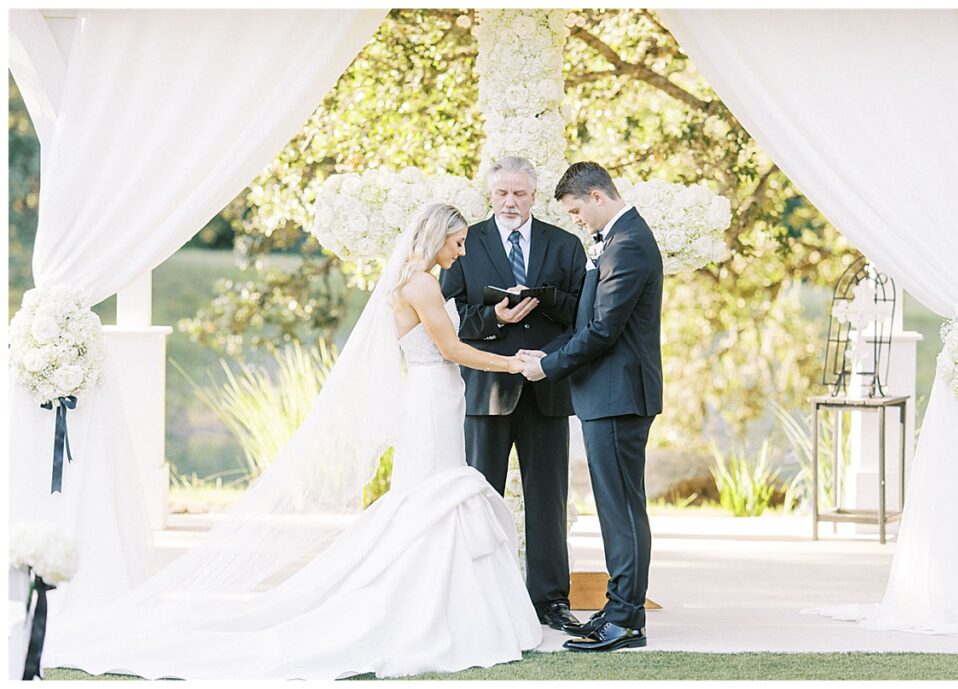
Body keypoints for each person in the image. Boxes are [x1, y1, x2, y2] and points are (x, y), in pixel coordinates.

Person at [44, 203, 542, 680]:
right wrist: (514, 362)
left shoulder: (406, 281)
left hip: (433, 396)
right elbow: (450, 347)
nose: (461, 251)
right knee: (433, 502)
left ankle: (439, 608)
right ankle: (428, 615)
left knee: (427, 501)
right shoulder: (423, 285)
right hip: (433, 399)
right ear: (438, 236)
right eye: (456, 242)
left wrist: (496, 322)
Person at [519, 162, 664, 652]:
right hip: (607, 395)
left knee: (621, 510)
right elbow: (590, 321)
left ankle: (625, 620)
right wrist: (550, 352)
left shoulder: (628, 245)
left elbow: (604, 330)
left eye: (578, 211)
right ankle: (620, 607)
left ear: (599, 196)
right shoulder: (618, 241)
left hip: (619, 396)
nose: (579, 220)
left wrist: (549, 367)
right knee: (616, 508)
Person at [440, 156, 588, 633]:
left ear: (534, 196)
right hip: (486, 391)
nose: (510, 201)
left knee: (549, 499)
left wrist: (547, 306)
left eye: (519, 193)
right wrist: (494, 320)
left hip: (547, 389)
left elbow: (582, 317)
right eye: (502, 192)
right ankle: (478, 596)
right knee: (481, 496)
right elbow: (447, 316)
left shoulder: (564, 245)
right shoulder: (467, 245)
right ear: (490, 194)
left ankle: (550, 602)